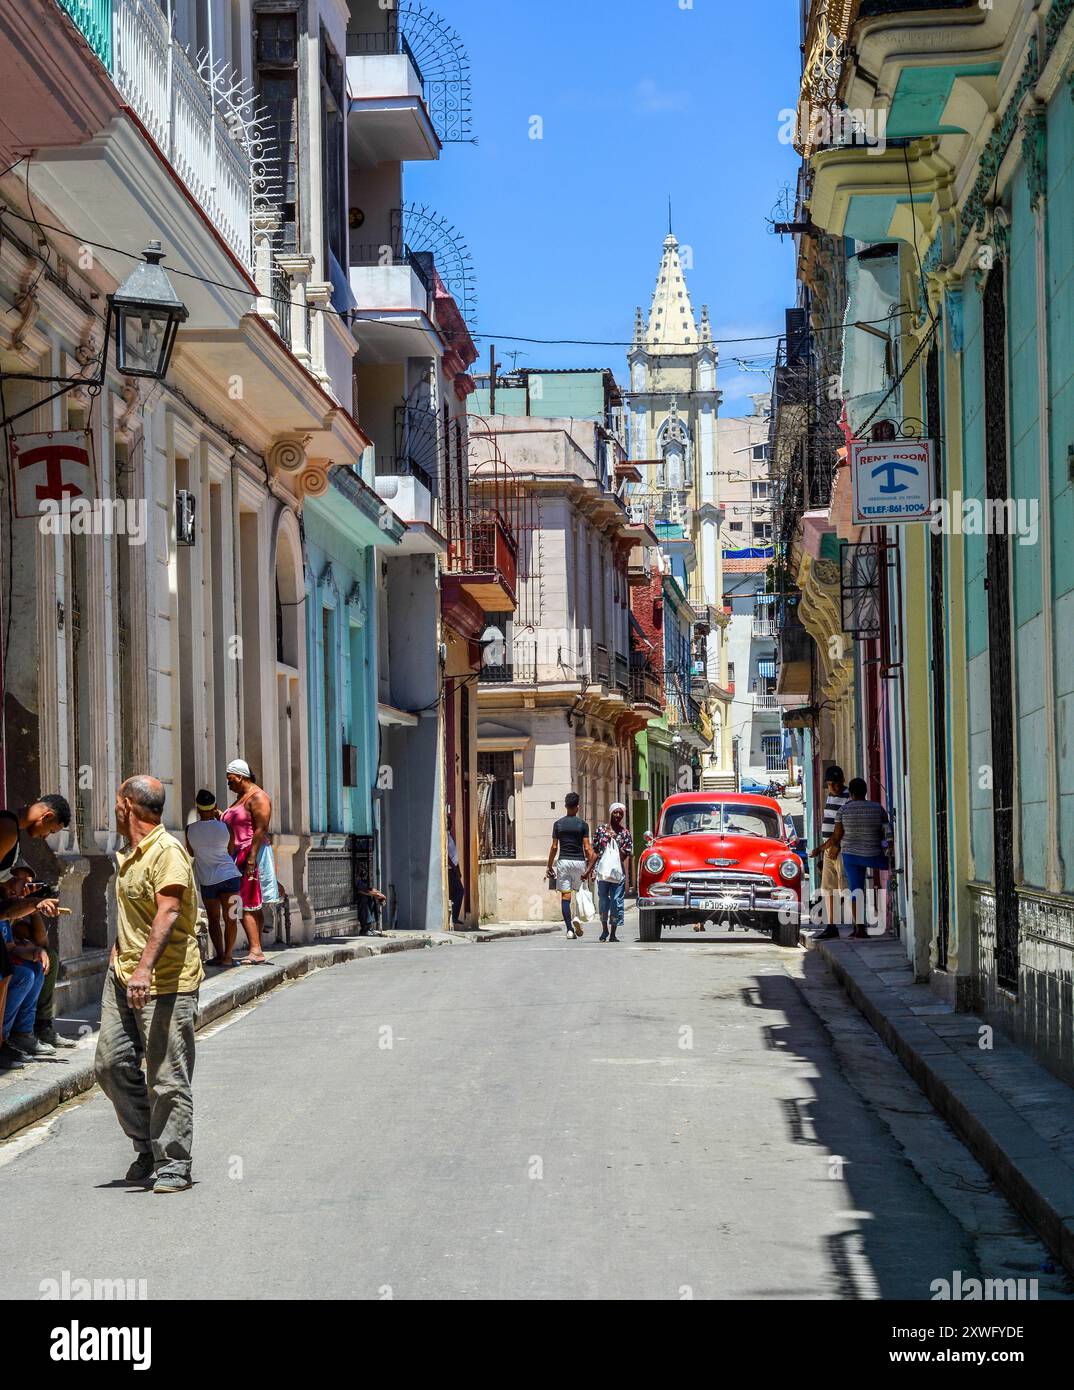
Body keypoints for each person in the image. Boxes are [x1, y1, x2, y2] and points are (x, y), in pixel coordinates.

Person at [95, 776, 203, 1194]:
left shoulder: (167, 852)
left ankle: (174, 1162)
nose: (113, 808)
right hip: (122, 974)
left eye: (116, 801)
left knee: (166, 1074)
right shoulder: (129, 854)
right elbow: (135, 918)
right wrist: (121, 955)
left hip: (165, 979)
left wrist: (143, 970)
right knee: (110, 1063)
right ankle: (147, 1143)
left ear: (127, 804)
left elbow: (170, 910)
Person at [8, 864, 75, 1051]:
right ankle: (16, 1033)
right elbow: (9, 928)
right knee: (27, 973)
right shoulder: (6, 899)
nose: (24, 888)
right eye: (22, 882)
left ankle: (41, 1025)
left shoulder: (18, 901)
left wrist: (32, 905)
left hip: (13, 952)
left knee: (49, 958)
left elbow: (41, 941)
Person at [221, 760, 272, 965]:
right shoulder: (240, 798)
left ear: (240, 776)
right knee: (249, 902)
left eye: (230, 779)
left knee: (244, 903)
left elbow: (261, 828)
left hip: (249, 853)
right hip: (238, 854)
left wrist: (251, 858)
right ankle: (255, 946)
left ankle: (256, 950)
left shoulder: (258, 797)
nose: (228, 783)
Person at [829, 777, 892, 940]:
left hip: (851, 855)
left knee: (856, 889)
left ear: (850, 793)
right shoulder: (877, 808)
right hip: (874, 854)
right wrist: (886, 848)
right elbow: (886, 832)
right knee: (893, 870)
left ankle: (860, 928)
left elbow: (837, 836)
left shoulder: (843, 810)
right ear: (865, 792)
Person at [185, 790, 242, 968]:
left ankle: (219, 955)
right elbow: (231, 851)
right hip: (230, 877)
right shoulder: (226, 828)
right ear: (215, 807)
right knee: (231, 917)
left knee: (214, 919)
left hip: (208, 881)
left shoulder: (190, 830)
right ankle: (228, 956)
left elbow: (192, 853)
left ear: (198, 808)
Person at [545, 792, 596, 939]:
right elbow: (587, 848)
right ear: (578, 807)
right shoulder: (583, 825)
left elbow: (554, 847)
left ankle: (569, 930)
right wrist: (590, 868)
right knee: (580, 893)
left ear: (566, 806)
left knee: (565, 896)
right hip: (579, 862)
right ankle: (577, 918)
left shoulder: (558, 824)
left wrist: (549, 866)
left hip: (564, 862)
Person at [809, 766, 850, 941]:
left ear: (842, 781)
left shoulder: (848, 797)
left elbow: (846, 825)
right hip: (829, 849)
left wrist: (837, 845)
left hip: (839, 848)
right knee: (827, 888)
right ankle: (831, 925)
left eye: (835, 784)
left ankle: (856, 924)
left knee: (845, 886)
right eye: (829, 784)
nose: (832, 787)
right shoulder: (830, 796)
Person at [592, 802, 633, 942]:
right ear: (611, 813)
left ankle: (613, 933)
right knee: (603, 900)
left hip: (617, 873)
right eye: (616, 812)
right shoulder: (601, 830)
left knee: (616, 901)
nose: (618, 815)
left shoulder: (625, 833)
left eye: (621, 813)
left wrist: (615, 840)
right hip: (603, 872)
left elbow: (624, 856)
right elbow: (596, 852)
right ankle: (604, 930)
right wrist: (589, 870)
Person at [446, 813, 465, 927]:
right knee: (459, 891)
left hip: (453, 868)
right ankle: (453, 917)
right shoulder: (444, 836)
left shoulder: (449, 835)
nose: (449, 824)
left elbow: (454, 854)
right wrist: (454, 867)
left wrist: (458, 869)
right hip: (449, 869)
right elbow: (447, 855)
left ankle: (453, 917)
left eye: (449, 822)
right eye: (447, 822)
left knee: (456, 893)